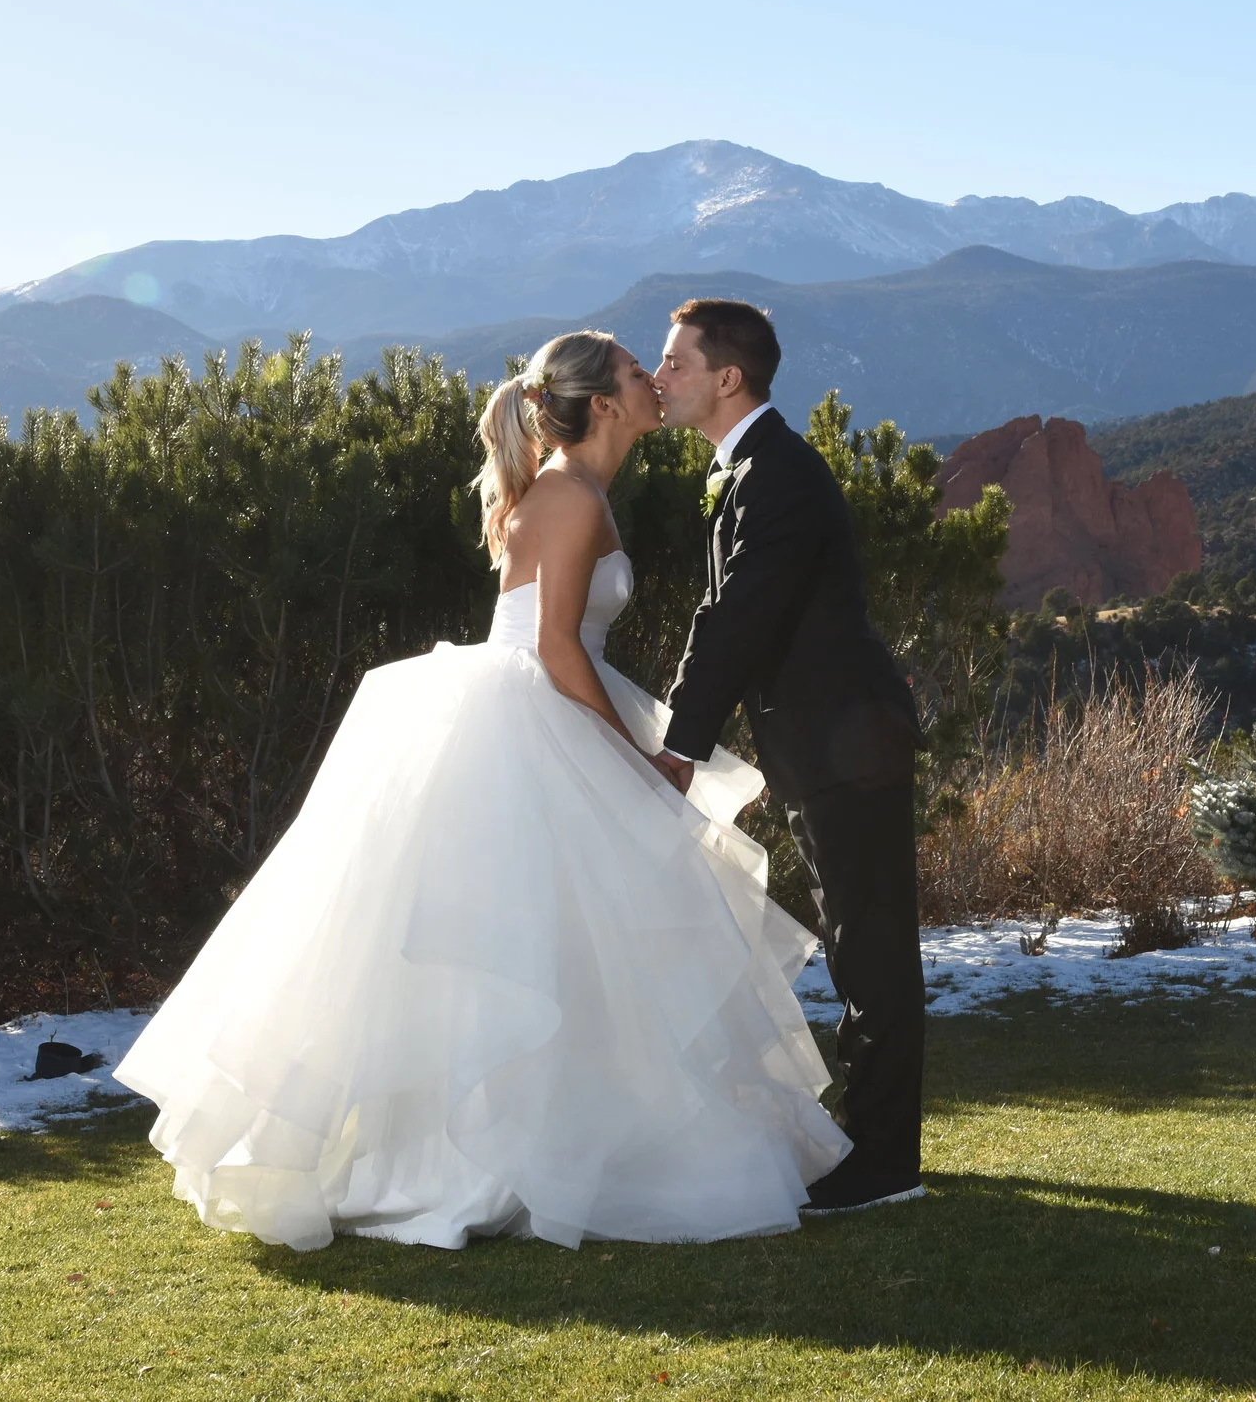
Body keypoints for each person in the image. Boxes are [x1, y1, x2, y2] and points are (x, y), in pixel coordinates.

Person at [115, 329, 849, 1251]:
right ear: (608, 403)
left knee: (573, 946)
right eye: (637, 370)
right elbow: (553, 645)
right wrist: (628, 754)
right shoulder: (570, 497)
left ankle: (565, 1141)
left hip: (548, 703)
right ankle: (495, 1160)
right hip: (536, 713)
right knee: (541, 942)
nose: (655, 381)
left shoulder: (579, 490)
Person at [652, 297, 927, 1214]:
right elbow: (721, 620)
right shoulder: (755, 471)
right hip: (829, 744)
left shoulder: (777, 477)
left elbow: (736, 623)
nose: (662, 377)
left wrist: (681, 750)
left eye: (676, 363)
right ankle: (873, 1143)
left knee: (873, 948)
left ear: (727, 378)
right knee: (860, 943)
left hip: (849, 743)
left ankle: (886, 1165)